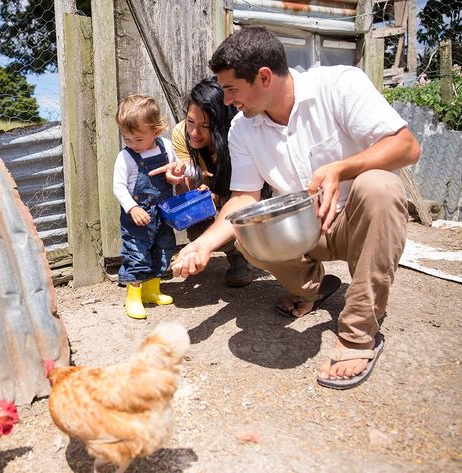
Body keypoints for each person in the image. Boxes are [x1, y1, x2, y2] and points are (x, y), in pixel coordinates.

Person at [169, 27, 420, 389]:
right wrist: (203, 245)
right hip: (303, 229)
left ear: (264, 77)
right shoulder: (243, 129)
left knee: (380, 185)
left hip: (357, 224)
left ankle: (359, 331)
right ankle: (312, 289)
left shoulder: (339, 85)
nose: (226, 101)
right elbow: (243, 198)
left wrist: (342, 168)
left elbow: (407, 147)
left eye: (231, 89)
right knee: (245, 229)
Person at [171, 77, 255, 287]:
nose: (194, 132)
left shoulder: (239, 137)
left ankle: (242, 254)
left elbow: (247, 192)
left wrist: (220, 195)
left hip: (241, 195)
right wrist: (181, 182)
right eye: (191, 122)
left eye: (205, 126)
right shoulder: (181, 135)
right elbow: (188, 186)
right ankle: (232, 249)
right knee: (195, 224)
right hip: (208, 194)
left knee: (242, 221)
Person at [113, 94, 186, 320]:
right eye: (127, 139)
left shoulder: (165, 147)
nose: (132, 144)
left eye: (138, 139)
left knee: (163, 249)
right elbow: (119, 187)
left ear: (155, 132)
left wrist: (174, 176)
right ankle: (133, 297)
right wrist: (132, 208)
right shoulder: (125, 157)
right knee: (137, 253)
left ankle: (152, 290)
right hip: (138, 215)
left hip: (162, 212)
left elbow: (172, 173)